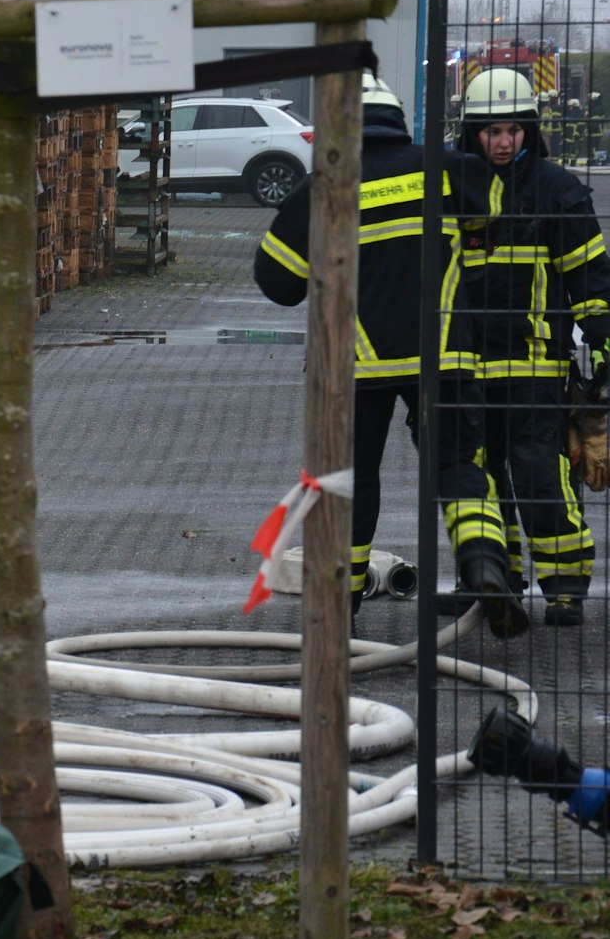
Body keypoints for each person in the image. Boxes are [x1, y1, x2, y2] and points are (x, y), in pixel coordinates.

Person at [254, 73, 525, 636]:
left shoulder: (323, 189)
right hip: (444, 357)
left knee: (350, 483)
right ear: (396, 117)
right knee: (459, 468)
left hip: (355, 367)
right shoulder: (447, 170)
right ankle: (484, 565)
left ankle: (340, 612)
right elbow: (497, 213)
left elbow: (277, 283)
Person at [457, 66, 610, 628]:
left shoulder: (557, 190)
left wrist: (601, 344)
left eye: (513, 130)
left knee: (540, 472)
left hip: (535, 360)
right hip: (469, 363)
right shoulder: (455, 189)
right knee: (482, 478)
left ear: (530, 131)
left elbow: (590, 277)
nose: (503, 142)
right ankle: (499, 581)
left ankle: (565, 586)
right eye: (491, 131)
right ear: (471, 133)